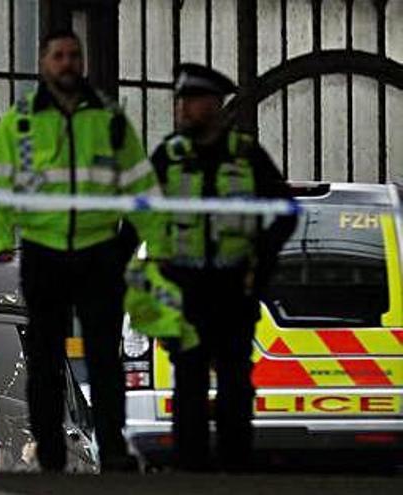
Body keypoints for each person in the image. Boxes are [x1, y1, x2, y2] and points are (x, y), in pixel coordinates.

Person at [0, 29, 161, 472]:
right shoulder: (19, 122)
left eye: (74, 55)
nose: (67, 63)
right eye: (58, 55)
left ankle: (113, 448)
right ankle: (51, 453)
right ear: (43, 63)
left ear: (83, 63)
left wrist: (127, 244)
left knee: (104, 357)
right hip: (43, 252)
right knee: (44, 359)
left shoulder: (112, 122)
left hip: (100, 252)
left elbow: (144, 189)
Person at [149, 63, 297, 471]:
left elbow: (285, 212)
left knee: (234, 380)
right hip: (184, 291)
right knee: (189, 380)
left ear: (213, 105)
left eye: (190, 101)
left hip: (233, 288)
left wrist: (260, 263)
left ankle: (236, 465)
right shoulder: (168, 156)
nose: (181, 109)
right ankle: (189, 466)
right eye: (181, 102)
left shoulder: (247, 156)